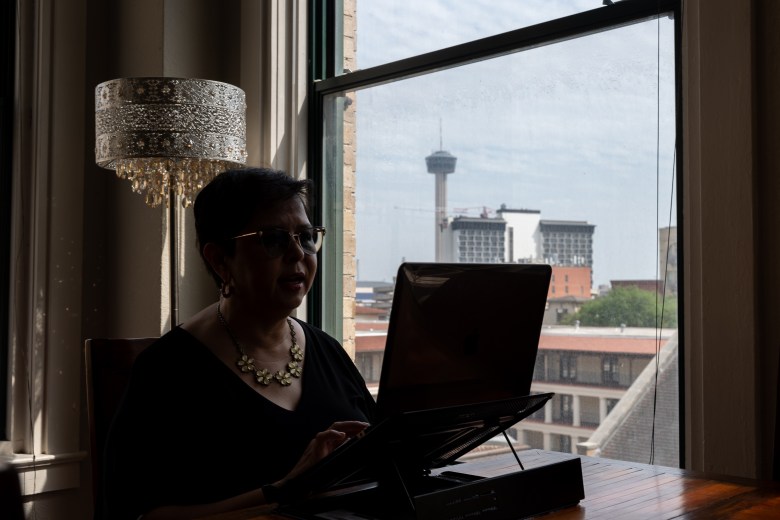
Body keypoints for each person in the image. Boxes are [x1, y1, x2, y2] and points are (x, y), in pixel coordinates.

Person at [101, 168, 375, 520]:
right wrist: (286, 489)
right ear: (220, 260)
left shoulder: (328, 349)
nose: (297, 254)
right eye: (273, 239)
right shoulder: (167, 370)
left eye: (306, 237)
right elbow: (140, 516)